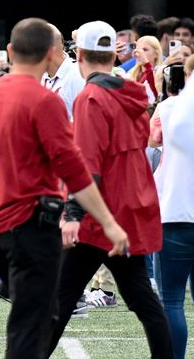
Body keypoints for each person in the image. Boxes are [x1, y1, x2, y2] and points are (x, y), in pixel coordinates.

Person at [0, 18, 130, 359]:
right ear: (52, 53)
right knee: (32, 323)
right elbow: (74, 169)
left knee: (34, 315)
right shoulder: (45, 101)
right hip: (29, 225)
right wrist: (109, 223)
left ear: (10, 51)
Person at [45, 21, 171, 357]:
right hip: (130, 210)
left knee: (57, 304)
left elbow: (88, 163)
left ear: (80, 54)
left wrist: (73, 213)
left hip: (99, 217)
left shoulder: (92, 96)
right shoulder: (131, 93)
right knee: (145, 303)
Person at [150, 53, 194, 356]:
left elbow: (154, 138)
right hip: (178, 208)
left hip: (177, 210)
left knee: (172, 299)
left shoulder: (169, 107)